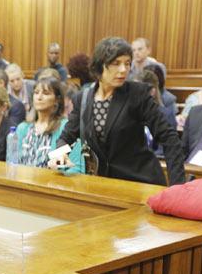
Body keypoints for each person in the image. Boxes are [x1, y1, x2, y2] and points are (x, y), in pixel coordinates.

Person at [54, 37, 185, 185]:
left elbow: (169, 138)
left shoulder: (137, 94)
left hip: (140, 183)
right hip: (102, 184)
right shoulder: (82, 99)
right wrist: (59, 155)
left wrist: (177, 186)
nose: (123, 70)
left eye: (127, 63)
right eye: (116, 63)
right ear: (99, 66)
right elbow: (66, 137)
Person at [13, 78, 68, 167]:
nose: (39, 97)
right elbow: (13, 161)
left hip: (51, 179)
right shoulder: (23, 128)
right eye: (36, 92)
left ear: (57, 100)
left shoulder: (65, 127)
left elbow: (75, 168)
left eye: (46, 93)